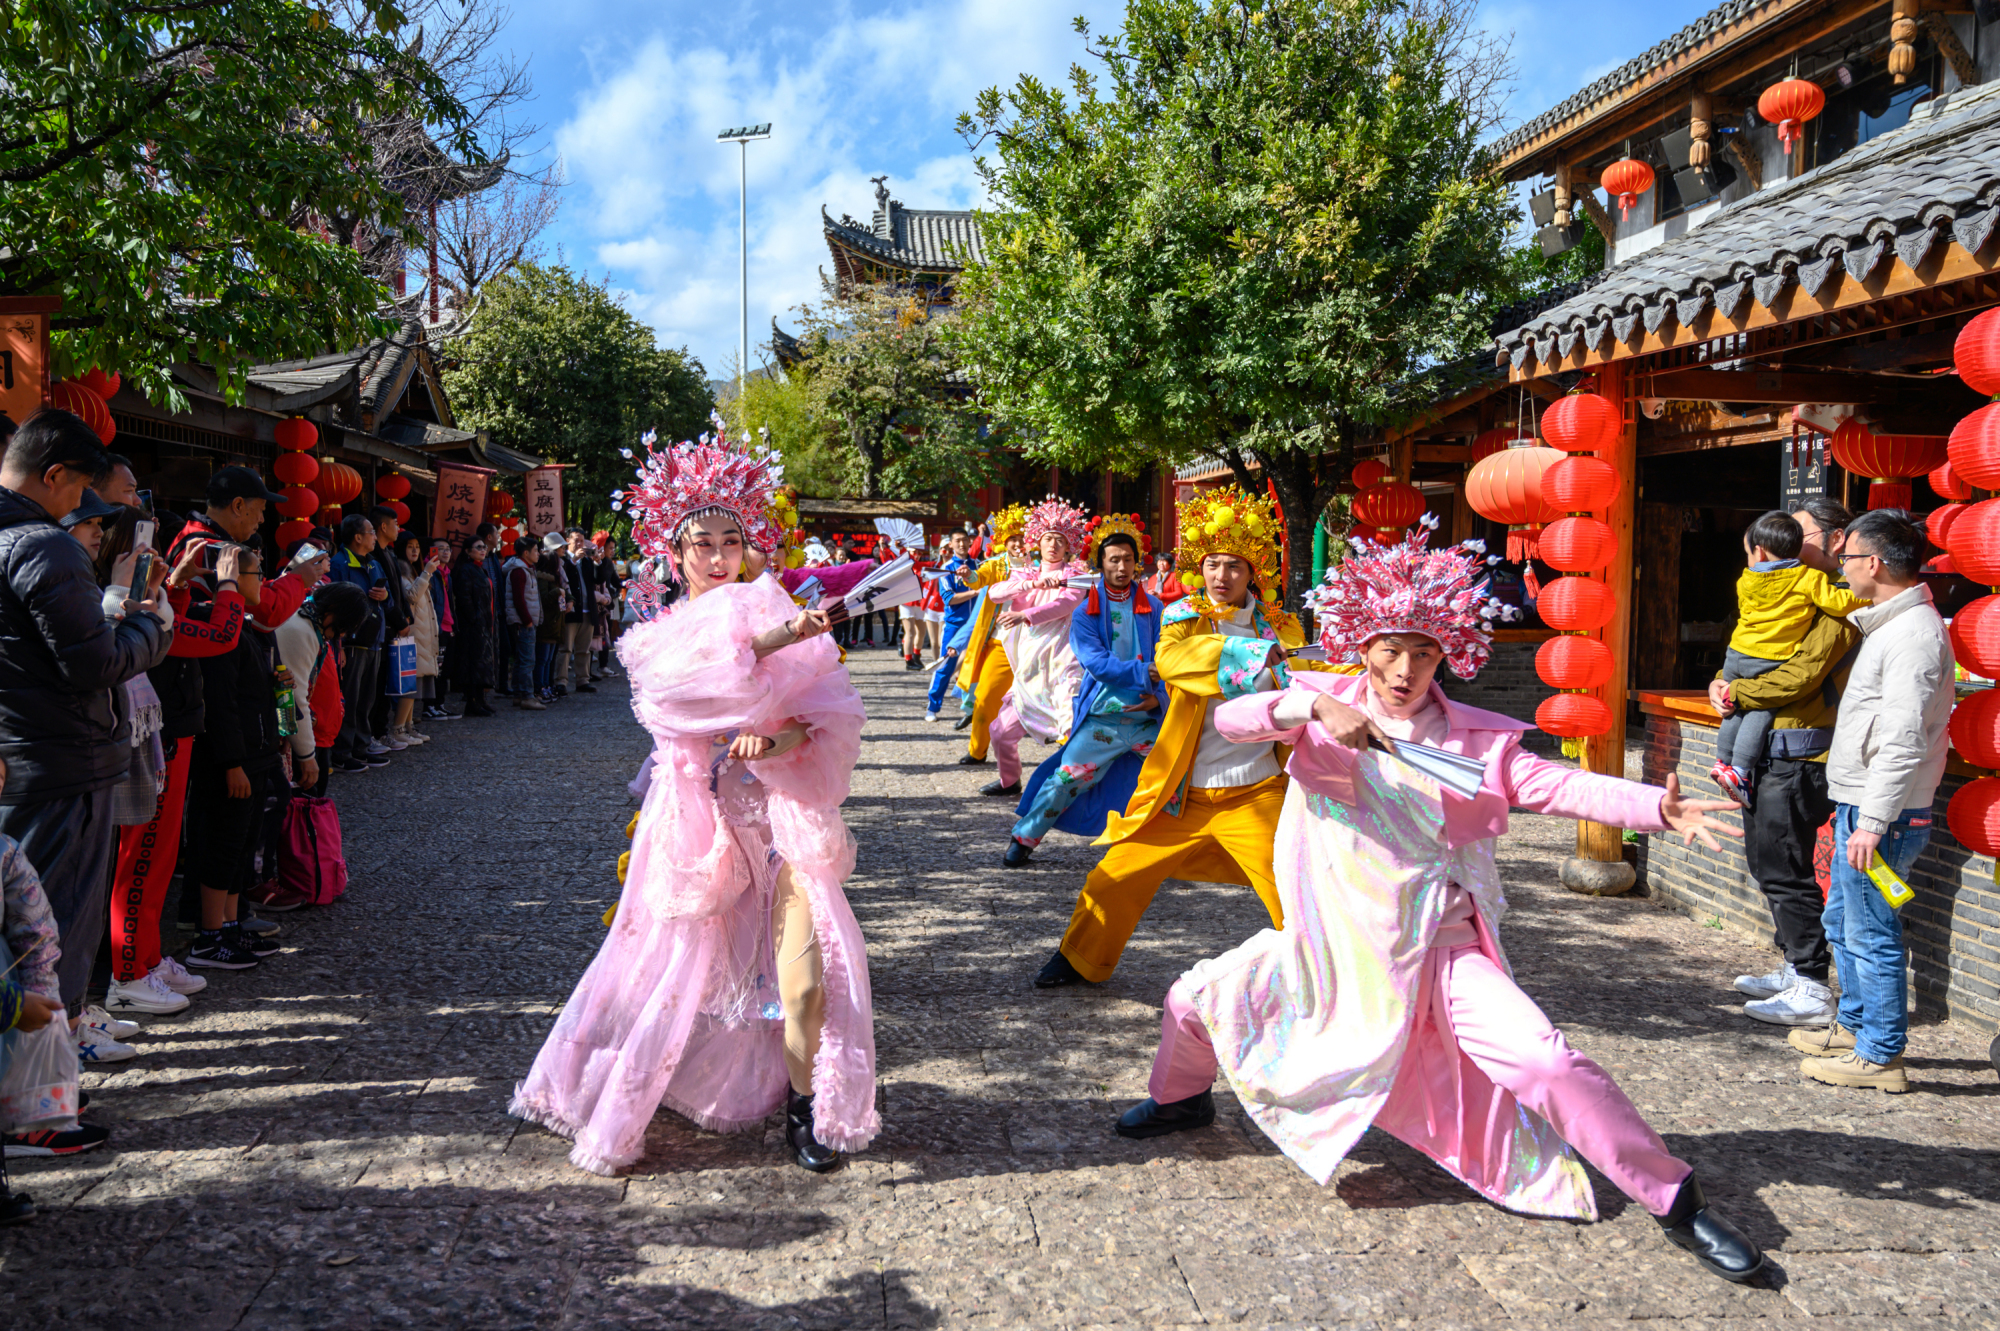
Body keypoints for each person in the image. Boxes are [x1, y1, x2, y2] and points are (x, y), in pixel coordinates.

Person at [1115, 521, 1764, 1286]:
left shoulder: (1473, 741)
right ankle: (1181, 1101)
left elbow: (1557, 785)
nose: (1405, 667)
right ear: (1363, 644)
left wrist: (1658, 807)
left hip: (1436, 950)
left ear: (1444, 656)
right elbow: (1232, 718)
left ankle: (1676, 1199)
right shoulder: (1319, 700)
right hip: (1328, 949)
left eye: (1424, 652)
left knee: (1544, 1059)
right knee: (1192, 998)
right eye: (1392, 647)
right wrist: (1310, 712)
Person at [511, 432, 878, 1175]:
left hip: (783, 821)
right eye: (702, 544)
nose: (718, 557)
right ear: (674, 556)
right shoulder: (658, 640)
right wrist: (786, 637)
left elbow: (823, 721)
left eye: (731, 541)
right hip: (700, 828)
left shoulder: (775, 612)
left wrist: (769, 744)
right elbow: (690, 700)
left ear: (748, 548)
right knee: (675, 975)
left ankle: (805, 1111)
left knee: (807, 979)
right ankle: (649, 1083)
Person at [1035, 485, 1302, 989]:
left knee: (1291, 886)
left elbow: (1305, 678)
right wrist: (1255, 659)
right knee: (1113, 875)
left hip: (1257, 789)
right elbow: (1172, 664)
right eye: (1212, 564)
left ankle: (1326, 973)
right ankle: (1080, 959)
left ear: (1254, 573)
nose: (1221, 576)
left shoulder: (1281, 629)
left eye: (1234, 566)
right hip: (1180, 793)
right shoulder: (1182, 618)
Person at [0, 410, 171, 1034]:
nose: (80, 514)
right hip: (63, 763)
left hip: (19, 759)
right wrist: (152, 625)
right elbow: (96, 661)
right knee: (54, 931)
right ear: (52, 475)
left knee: (22, 925)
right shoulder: (42, 545)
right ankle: (40, 1105)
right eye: (77, 494)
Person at [1795, 508, 1952, 1094]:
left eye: (1848, 558)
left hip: (1882, 811)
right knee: (1844, 920)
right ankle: (1856, 1028)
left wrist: (1875, 821)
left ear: (1875, 562)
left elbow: (1904, 738)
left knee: (1870, 931)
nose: (1842, 569)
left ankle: (1881, 1054)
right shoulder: (1892, 625)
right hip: (1864, 803)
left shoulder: (1912, 635)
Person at [1708, 497, 1858, 1027]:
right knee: (1765, 862)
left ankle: (1813, 985)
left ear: (1835, 540)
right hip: (1770, 750)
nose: (1791, 544)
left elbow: (1799, 677)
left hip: (1798, 753)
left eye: (1803, 533)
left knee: (1784, 866)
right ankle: (1796, 965)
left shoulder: (1834, 602)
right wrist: (1721, 686)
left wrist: (1739, 693)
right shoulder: (1785, 586)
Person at [1005, 518, 1163, 866]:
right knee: (1065, 779)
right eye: (1113, 560)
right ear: (1100, 565)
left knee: (1175, 778)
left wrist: (1160, 695)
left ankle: (1171, 849)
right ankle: (1024, 838)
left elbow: (1170, 654)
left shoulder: (1155, 608)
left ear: (1138, 563)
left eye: (1127, 560)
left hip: (1149, 716)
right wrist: (1146, 673)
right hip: (1104, 716)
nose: (1121, 567)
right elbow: (1097, 662)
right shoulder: (1086, 611)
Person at [1708, 511, 1863, 804]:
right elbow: (1839, 603)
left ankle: (1722, 761)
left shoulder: (1746, 579)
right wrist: (1866, 596)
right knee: (1756, 708)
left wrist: (1728, 685)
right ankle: (1738, 768)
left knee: (1735, 707)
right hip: (1769, 661)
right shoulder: (1809, 579)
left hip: (1738, 654)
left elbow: (1797, 677)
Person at [182, 547, 286, 970]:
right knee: (222, 843)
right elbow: (220, 701)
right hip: (233, 757)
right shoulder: (215, 621)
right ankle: (209, 935)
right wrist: (231, 762)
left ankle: (228, 924)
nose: (262, 580)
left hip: (257, 750)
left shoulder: (246, 625)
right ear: (231, 575)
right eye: (256, 573)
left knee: (242, 844)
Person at [982, 500, 1092, 799]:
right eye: (1047, 539)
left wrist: (1024, 615)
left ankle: (1074, 785)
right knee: (1000, 731)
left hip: (1062, 658)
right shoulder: (1024, 574)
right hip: (1029, 663)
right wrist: (1030, 584)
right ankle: (1009, 781)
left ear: (1068, 546)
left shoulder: (1076, 574)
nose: (1053, 545)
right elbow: (994, 593)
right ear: (1037, 543)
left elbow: (1066, 603)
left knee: (1070, 723)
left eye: (1060, 540)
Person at [276, 581, 370, 803]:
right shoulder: (301, 631)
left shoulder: (307, 623)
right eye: (345, 626)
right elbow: (290, 697)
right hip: (296, 733)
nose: (344, 634)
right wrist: (306, 755)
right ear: (333, 612)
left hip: (301, 731)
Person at [953, 504, 1031, 766]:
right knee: (985, 696)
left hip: (1038, 644)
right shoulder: (996, 565)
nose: (1018, 544)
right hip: (1001, 643)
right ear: (1004, 542)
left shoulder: (1042, 566)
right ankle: (977, 750)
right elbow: (978, 578)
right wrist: (968, 575)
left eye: (1023, 538)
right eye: (1013, 539)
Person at [328, 514, 391, 770]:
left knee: (367, 699)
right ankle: (343, 752)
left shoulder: (374, 563)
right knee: (349, 699)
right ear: (358, 537)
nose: (375, 536)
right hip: (351, 641)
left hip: (373, 638)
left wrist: (385, 595)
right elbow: (332, 604)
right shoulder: (339, 563)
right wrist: (338, 643)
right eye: (371, 532)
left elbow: (390, 601)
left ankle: (362, 747)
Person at [364, 506, 414, 747]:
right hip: (382, 627)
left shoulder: (391, 555)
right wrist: (400, 621)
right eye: (395, 523)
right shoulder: (373, 558)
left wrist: (406, 619)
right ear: (383, 527)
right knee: (377, 683)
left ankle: (385, 731)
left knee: (388, 681)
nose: (399, 528)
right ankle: (377, 732)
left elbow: (397, 595)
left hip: (396, 624)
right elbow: (381, 596)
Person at [924, 530, 981, 722]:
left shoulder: (979, 566)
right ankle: (932, 707)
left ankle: (975, 708)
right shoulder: (946, 569)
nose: (962, 544)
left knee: (979, 665)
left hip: (979, 623)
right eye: (958, 541)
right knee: (946, 665)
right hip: (955, 625)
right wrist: (975, 593)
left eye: (965, 541)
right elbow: (949, 599)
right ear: (951, 544)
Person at [395, 533, 442, 743]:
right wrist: (427, 573)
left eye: (416, 547)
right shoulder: (401, 570)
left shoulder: (414, 571)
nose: (414, 550)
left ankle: (408, 726)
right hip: (412, 633)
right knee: (409, 684)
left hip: (421, 633)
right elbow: (411, 596)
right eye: (409, 547)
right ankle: (397, 728)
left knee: (415, 683)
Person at [451, 537, 498, 716]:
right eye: (478, 547)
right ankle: (472, 702)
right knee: (472, 664)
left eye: (483, 547)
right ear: (468, 551)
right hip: (473, 625)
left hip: (485, 623)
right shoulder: (466, 570)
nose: (482, 550)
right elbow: (464, 597)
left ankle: (480, 699)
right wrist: (474, 618)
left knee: (483, 664)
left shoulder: (481, 569)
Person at [502, 536, 546, 711]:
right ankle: (527, 695)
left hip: (525, 620)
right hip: (522, 622)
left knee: (523, 660)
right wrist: (527, 620)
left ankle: (519, 694)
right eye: (535, 550)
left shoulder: (527, 569)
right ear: (526, 553)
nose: (538, 554)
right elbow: (519, 599)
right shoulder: (519, 571)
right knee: (527, 660)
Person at [554, 527, 597, 695]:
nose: (579, 543)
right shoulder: (562, 560)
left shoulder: (587, 560)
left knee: (584, 649)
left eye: (581, 540)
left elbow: (599, 579)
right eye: (576, 540)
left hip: (588, 609)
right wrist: (573, 561)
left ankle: (582, 680)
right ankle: (561, 681)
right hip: (571, 610)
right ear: (568, 541)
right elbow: (565, 578)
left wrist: (599, 563)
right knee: (565, 648)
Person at [423, 538, 457, 723]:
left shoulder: (447, 574)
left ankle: (440, 704)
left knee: (444, 669)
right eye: (440, 549)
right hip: (435, 626)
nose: (445, 552)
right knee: (435, 668)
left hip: (448, 625)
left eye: (448, 549)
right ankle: (430, 705)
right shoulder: (429, 572)